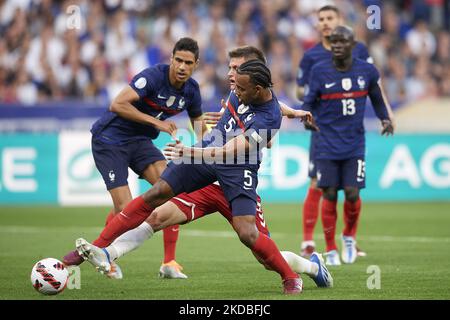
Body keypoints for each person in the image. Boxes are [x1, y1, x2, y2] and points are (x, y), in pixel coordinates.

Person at [79, 46, 332, 289]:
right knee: (156, 211)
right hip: (208, 179)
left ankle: (310, 268)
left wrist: (191, 151)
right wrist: (294, 112)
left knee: (261, 251)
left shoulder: (264, 115)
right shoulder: (242, 90)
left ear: (255, 80)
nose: (230, 74)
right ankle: (105, 252)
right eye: (230, 67)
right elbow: (270, 106)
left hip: (235, 175)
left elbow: (234, 147)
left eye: (236, 68)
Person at [62, 37, 207, 279]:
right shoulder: (152, 77)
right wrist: (157, 123)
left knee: (172, 189)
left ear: (196, 64)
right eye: (178, 60)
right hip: (110, 140)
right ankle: (106, 257)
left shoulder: (192, 90)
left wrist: (207, 150)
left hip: (140, 142)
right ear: (171, 59)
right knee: (126, 210)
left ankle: (169, 262)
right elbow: (117, 104)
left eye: (188, 62)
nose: (182, 66)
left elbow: (198, 122)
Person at [296, 4, 394, 258]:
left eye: (330, 18)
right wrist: (307, 107)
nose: (326, 23)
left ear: (341, 21)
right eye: (322, 19)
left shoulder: (361, 54)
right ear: (317, 25)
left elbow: (374, 86)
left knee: (351, 191)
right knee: (320, 185)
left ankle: (350, 238)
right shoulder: (312, 58)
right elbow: (301, 92)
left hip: (351, 134)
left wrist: (386, 115)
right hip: (323, 132)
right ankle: (311, 241)